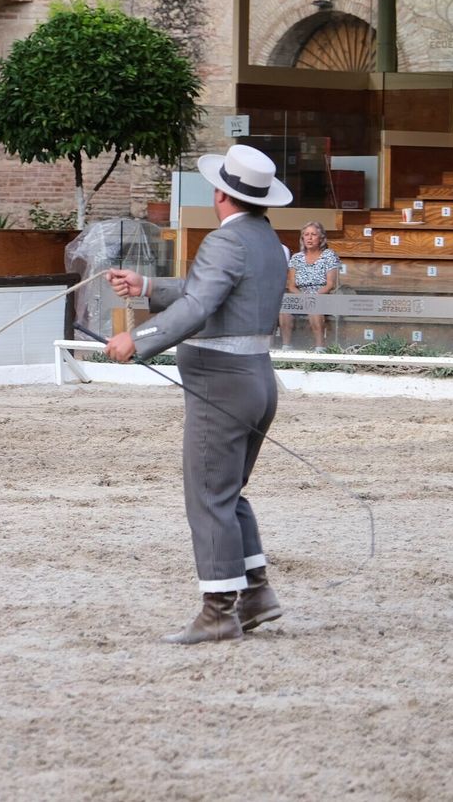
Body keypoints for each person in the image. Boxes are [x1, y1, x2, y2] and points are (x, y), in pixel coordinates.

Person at [103, 144, 291, 645]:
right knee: (228, 493)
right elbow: (206, 288)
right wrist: (147, 286)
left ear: (221, 194)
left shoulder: (224, 241)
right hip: (257, 378)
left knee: (208, 496)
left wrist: (137, 338)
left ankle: (218, 613)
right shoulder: (268, 242)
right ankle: (256, 593)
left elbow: (199, 305)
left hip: (220, 382)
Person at [279, 222, 342, 350]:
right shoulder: (296, 258)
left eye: (313, 234)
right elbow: (291, 286)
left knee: (314, 306)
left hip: (323, 295)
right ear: (302, 238)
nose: (309, 238)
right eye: (306, 235)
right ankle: (286, 347)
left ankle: (320, 348)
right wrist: (303, 297)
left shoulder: (329, 255)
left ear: (321, 238)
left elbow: (330, 284)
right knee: (285, 308)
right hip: (300, 296)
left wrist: (313, 297)